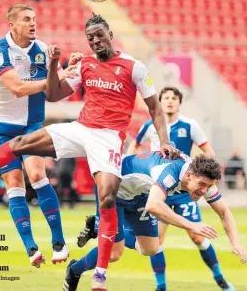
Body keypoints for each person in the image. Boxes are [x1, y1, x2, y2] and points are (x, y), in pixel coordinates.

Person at [0, 14, 179, 291]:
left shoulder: (134, 67)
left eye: (99, 34)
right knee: (20, 143)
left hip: (108, 138)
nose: (95, 41)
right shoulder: (85, 65)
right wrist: (54, 64)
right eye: (90, 37)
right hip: (81, 127)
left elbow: (154, 108)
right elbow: (53, 95)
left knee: (107, 198)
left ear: (110, 32)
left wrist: (164, 140)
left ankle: (100, 274)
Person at [78, 86, 236, 291]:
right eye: (166, 98)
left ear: (180, 102)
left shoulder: (190, 125)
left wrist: (207, 176)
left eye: (174, 98)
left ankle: (220, 280)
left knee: (197, 236)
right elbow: (135, 147)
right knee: (155, 242)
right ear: (160, 103)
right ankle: (161, 286)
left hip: (184, 187)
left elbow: (207, 150)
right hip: (156, 186)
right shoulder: (150, 126)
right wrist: (126, 163)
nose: (170, 101)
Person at [63, 153, 247, 291]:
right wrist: (190, 225)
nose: (204, 190)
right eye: (201, 185)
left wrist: (236, 243)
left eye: (208, 186)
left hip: (140, 195)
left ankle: (98, 228)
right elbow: (153, 205)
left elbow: (224, 211)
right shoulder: (170, 173)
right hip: (113, 190)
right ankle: (74, 270)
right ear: (189, 176)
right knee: (114, 253)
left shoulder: (202, 178)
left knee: (151, 248)